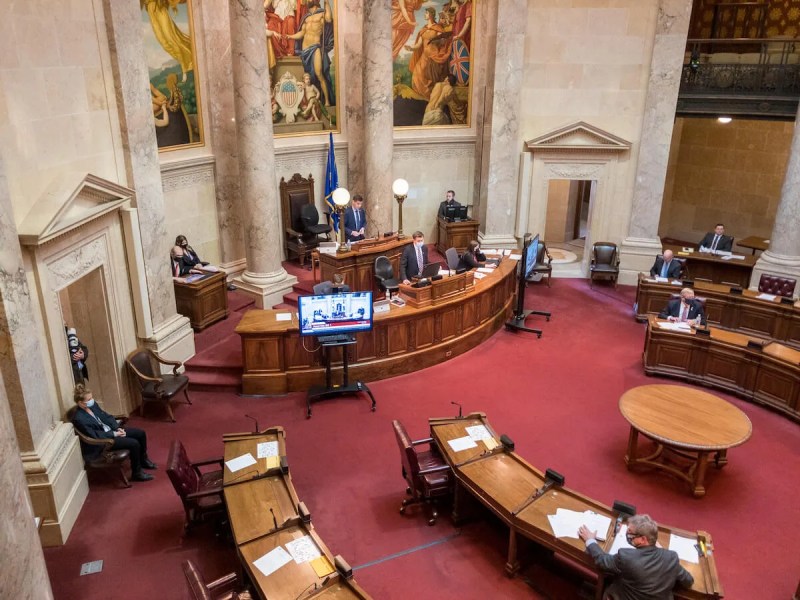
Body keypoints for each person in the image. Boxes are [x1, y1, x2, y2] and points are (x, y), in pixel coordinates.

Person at [578, 514, 694, 600]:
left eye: (630, 532)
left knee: (608, 576)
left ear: (643, 539)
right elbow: (688, 581)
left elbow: (602, 561)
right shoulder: (671, 557)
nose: (627, 535)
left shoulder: (626, 557)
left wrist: (590, 540)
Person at [71, 383, 157, 482]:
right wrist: (114, 434)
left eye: (91, 398)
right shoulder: (79, 418)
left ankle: (143, 460)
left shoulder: (92, 406)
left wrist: (117, 428)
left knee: (140, 433)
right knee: (134, 444)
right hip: (103, 441)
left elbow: (106, 417)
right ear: (80, 403)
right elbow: (94, 435)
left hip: (111, 431)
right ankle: (137, 473)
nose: (92, 401)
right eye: (89, 400)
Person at [281, 0, 335, 107]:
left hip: (315, 48)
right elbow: (302, 33)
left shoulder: (322, 13)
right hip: (304, 50)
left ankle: (327, 101)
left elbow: (329, 19)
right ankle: (312, 100)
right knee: (308, 76)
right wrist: (290, 36)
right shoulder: (305, 17)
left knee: (319, 74)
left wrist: (327, 3)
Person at [404, 7, 450, 100]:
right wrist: (410, 48)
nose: (425, 14)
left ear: (431, 14)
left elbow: (443, 42)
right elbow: (418, 45)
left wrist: (439, 40)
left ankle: (431, 98)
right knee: (417, 75)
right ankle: (423, 99)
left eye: (426, 13)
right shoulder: (423, 29)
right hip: (424, 57)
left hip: (434, 56)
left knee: (430, 79)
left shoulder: (437, 28)